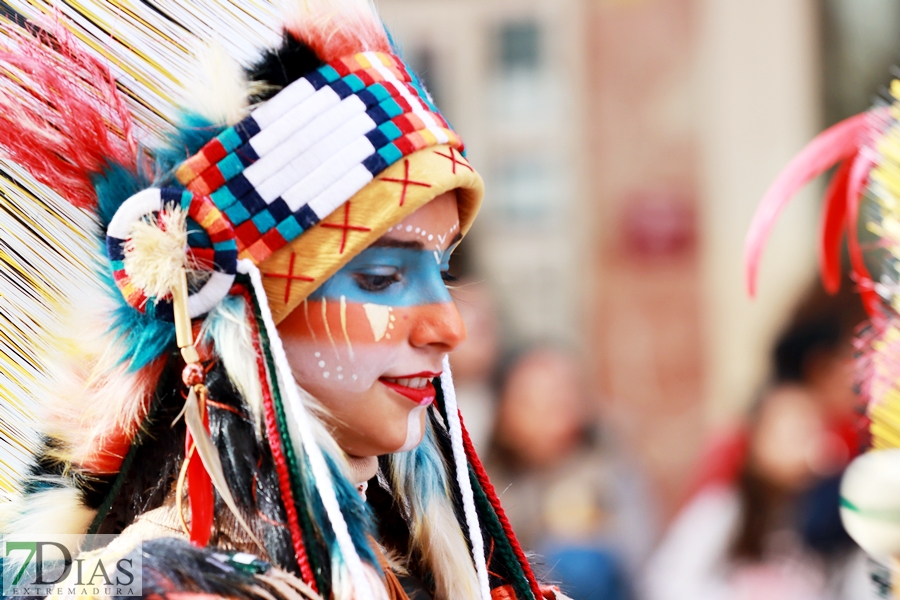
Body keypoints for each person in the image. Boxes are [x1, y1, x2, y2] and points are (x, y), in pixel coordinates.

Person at [0, 2, 563, 599]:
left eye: (441, 270)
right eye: (379, 278)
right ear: (230, 311)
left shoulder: (405, 558)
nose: (448, 324)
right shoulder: (164, 583)